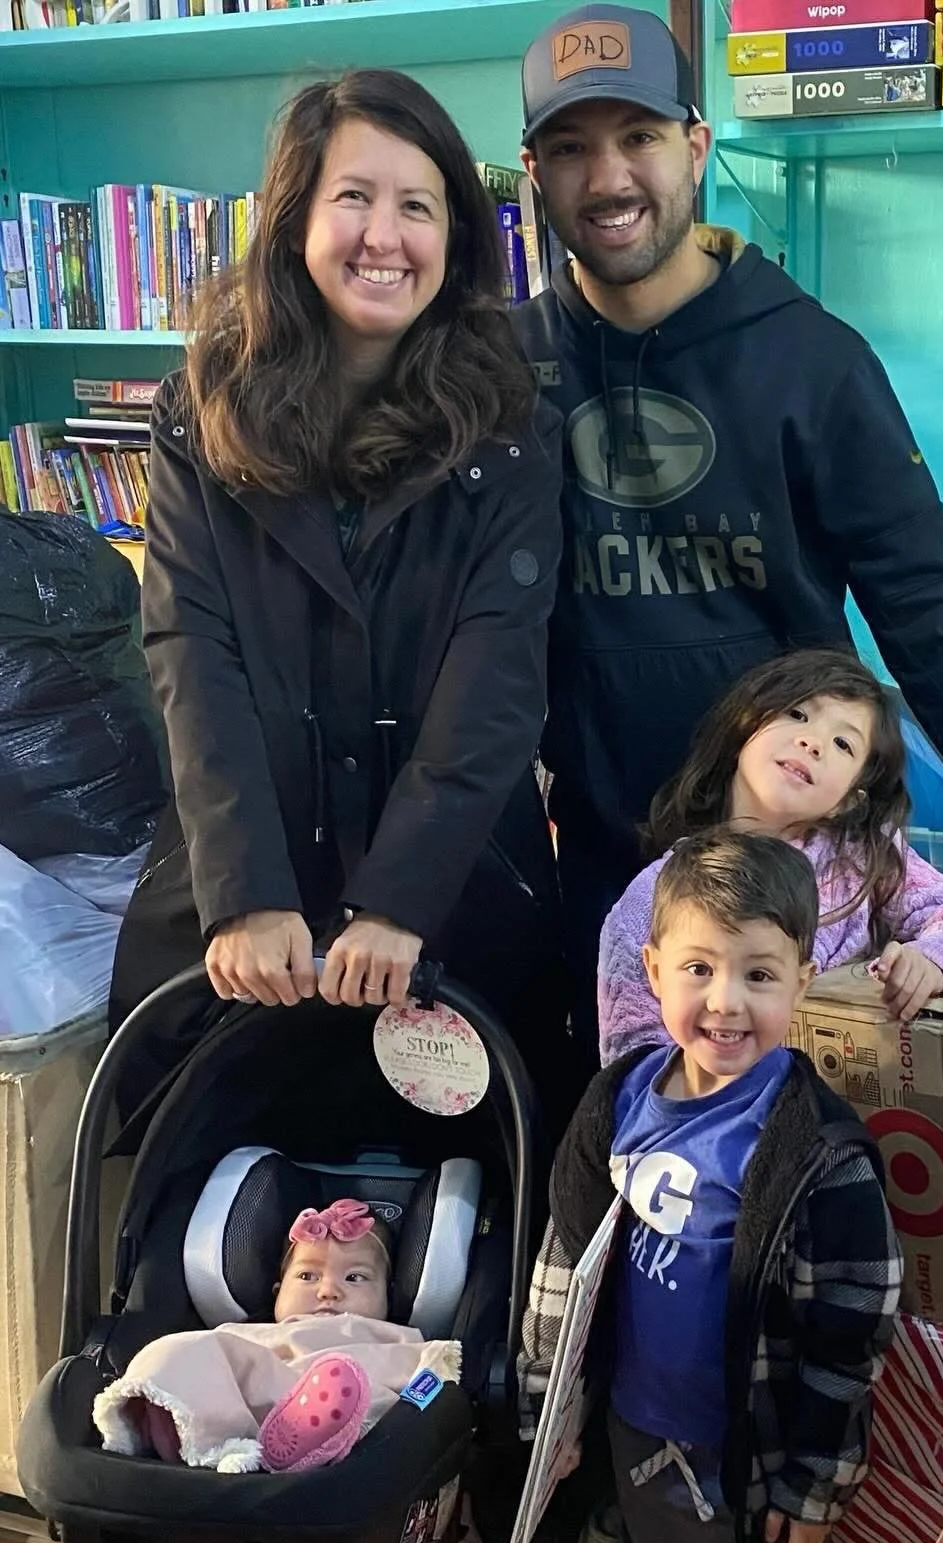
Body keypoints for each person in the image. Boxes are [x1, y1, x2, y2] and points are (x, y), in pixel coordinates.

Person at [510, 3, 943, 1069]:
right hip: (600, 861)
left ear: (695, 148)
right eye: (571, 148)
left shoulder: (817, 364)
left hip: (798, 886)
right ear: (535, 171)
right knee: (613, 1153)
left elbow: (927, 621)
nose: (608, 178)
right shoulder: (500, 371)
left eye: (639, 138)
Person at [110, 70, 572, 1125]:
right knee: (208, 1180)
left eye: (419, 207)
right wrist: (250, 894)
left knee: (468, 1200)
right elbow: (193, 650)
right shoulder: (202, 411)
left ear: (456, 239)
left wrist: (402, 899)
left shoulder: (512, 426)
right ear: (296, 220)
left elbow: (497, 677)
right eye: (354, 197)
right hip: (244, 885)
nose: (385, 236)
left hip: (453, 891)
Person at [519, 830, 900, 1543]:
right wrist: (545, 1411)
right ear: (654, 970)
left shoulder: (821, 1155)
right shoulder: (616, 1106)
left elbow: (851, 1337)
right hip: (639, 1432)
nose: (725, 1001)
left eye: (759, 974)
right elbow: (564, 1257)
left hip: (754, 1450)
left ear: (803, 981)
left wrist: (814, 1491)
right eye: (698, 969)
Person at [599, 648, 943, 1064]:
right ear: (744, 726)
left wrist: (933, 960)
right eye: (797, 714)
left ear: (848, 800)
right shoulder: (655, 896)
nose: (812, 742)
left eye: (843, 743)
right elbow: (631, 1063)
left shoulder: (862, 856)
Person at [94, 1200, 457, 1473]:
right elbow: (220, 1368)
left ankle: (308, 1437)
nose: (328, 1291)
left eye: (355, 1278)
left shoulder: (394, 1338)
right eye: (308, 1277)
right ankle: (176, 1436)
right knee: (180, 1350)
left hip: (345, 1412)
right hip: (252, 1408)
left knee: (361, 1389)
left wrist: (429, 1379)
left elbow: (427, 1381)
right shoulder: (246, 1335)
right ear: (277, 1290)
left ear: (388, 1295)